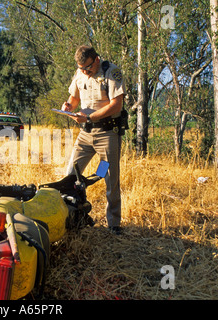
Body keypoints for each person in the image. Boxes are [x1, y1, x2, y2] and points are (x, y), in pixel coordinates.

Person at [62, 45, 125, 235]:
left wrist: (90, 117)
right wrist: (67, 106)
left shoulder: (111, 72)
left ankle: (113, 224)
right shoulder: (80, 73)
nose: (85, 72)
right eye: (81, 68)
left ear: (96, 59)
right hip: (86, 134)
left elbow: (116, 104)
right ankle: (73, 215)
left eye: (88, 68)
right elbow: (74, 98)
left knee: (107, 176)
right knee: (72, 173)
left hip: (107, 134)